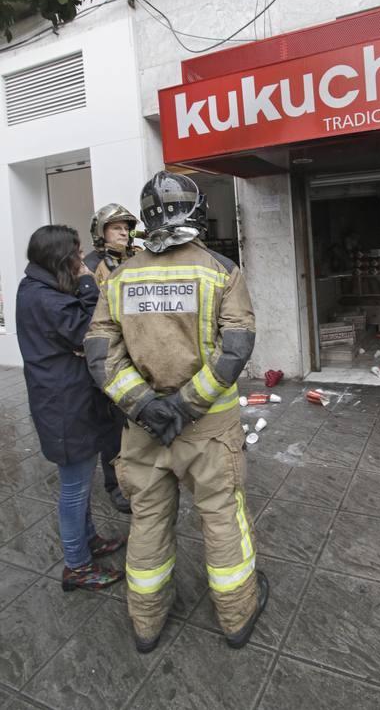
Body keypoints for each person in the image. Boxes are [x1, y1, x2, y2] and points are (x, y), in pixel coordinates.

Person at [84, 171, 268, 654]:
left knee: (146, 521)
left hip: (144, 432)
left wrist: (145, 405)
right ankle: (237, 616)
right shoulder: (221, 271)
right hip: (207, 430)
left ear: (146, 218)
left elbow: (102, 355)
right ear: (197, 210)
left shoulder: (120, 277)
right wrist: (184, 406)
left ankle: (145, 624)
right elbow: (235, 349)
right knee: (222, 518)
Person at [15, 225, 125, 592]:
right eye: (77, 255)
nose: (82, 260)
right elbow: (89, 331)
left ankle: (88, 541)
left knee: (79, 482)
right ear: (61, 258)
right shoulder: (47, 298)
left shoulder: (36, 287)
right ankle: (76, 566)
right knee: (75, 488)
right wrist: (89, 282)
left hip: (64, 400)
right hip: (64, 406)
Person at [84, 204, 140, 514]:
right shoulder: (89, 265)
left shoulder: (138, 258)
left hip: (139, 349)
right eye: (116, 227)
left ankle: (143, 477)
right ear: (101, 231)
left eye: (126, 227)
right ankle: (115, 485)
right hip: (111, 353)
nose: (123, 232)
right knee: (113, 428)